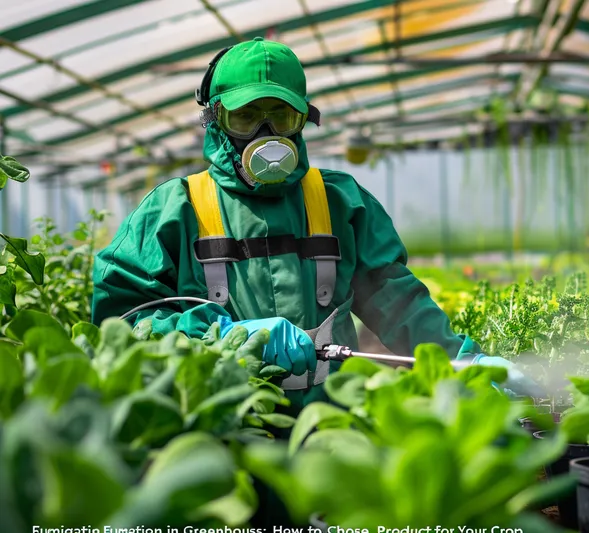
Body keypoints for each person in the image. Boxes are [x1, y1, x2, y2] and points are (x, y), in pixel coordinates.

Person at [91, 38, 537, 413]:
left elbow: (397, 301)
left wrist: (465, 360)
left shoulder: (340, 202)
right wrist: (219, 334)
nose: (266, 134)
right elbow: (125, 317)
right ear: (216, 121)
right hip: (221, 417)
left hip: (329, 419)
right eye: (246, 117)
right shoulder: (174, 209)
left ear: (303, 121)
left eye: (281, 117)